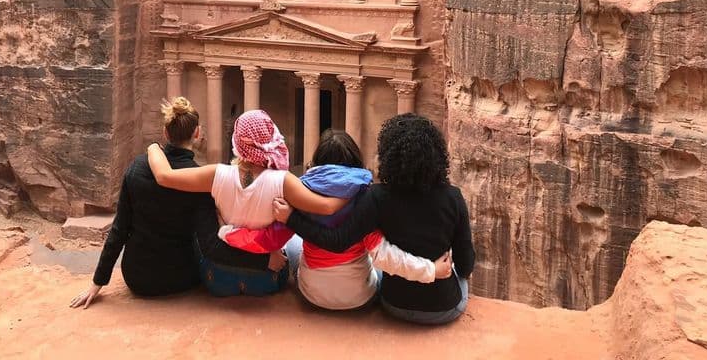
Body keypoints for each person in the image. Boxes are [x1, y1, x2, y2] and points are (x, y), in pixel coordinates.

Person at [70, 97, 282, 309]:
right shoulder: (199, 180)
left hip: (136, 277)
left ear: (165, 132)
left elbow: (119, 229)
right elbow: (211, 247)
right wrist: (263, 262)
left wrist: (97, 282)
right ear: (197, 134)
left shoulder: (137, 167)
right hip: (181, 276)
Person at [274, 113, 475, 325]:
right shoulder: (453, 197)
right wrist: (439, 270)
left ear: (388, 155)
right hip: (444, 307)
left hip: (394, 304)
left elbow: (339, 240)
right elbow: (465, 264)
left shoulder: (378, 197)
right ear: (437, 156)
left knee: (301, 247)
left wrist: (292, 219)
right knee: (454, 272)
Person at [217, 129, 453, 310]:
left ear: (317, 161)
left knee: (293, 244)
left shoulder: (302, 192)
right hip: (359, 298)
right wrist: (431, 270)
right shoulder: (365, 198)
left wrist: (229, 232)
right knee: (376, 267)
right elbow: (384, 255)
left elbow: (269, 238)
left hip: (312, 295)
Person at [146, 109, 348, 297]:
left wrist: (153, 147)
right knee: (294, 243)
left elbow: (164, 176)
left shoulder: (216, 174)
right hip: (268, 279)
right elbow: (327, 207)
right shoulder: (283, 181)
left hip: (217, 278)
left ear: (237, 143)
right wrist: (359, 183)